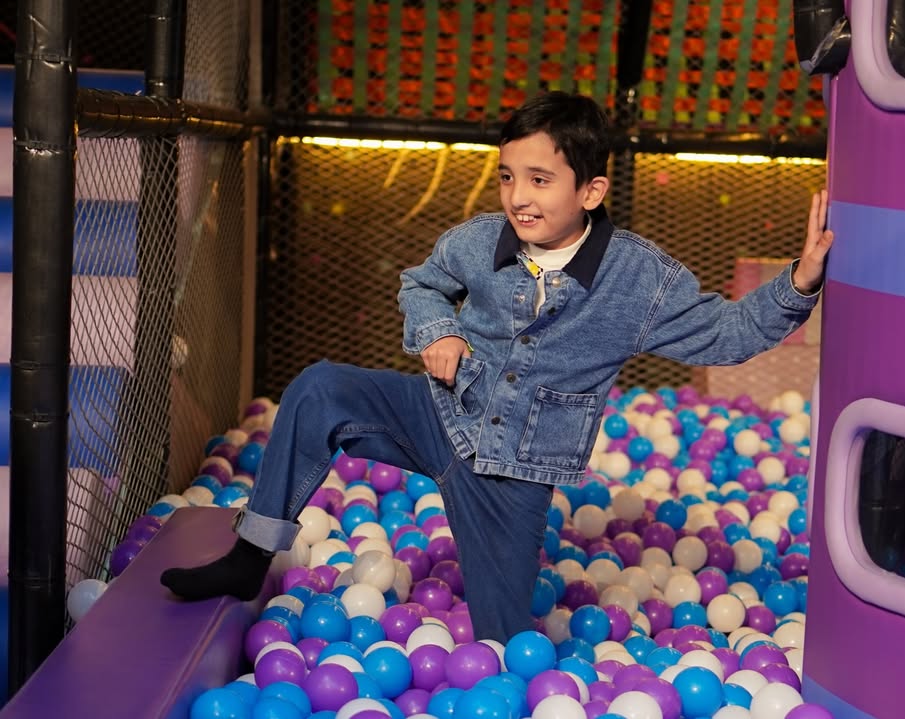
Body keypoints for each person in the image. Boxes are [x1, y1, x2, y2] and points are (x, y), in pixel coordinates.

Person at [161, 91, 834, 644]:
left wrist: (799, 281)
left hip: (515, 471)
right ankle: (249, 557)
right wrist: (438, 330)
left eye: (541, 180)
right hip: (438, 412)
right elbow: (420, 283)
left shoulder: (638, 277)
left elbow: (729, 332)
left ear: (592, 189)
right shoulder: (479, 240)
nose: (518, 196)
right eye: (508, 176)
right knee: (318, 389)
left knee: (505, 640)